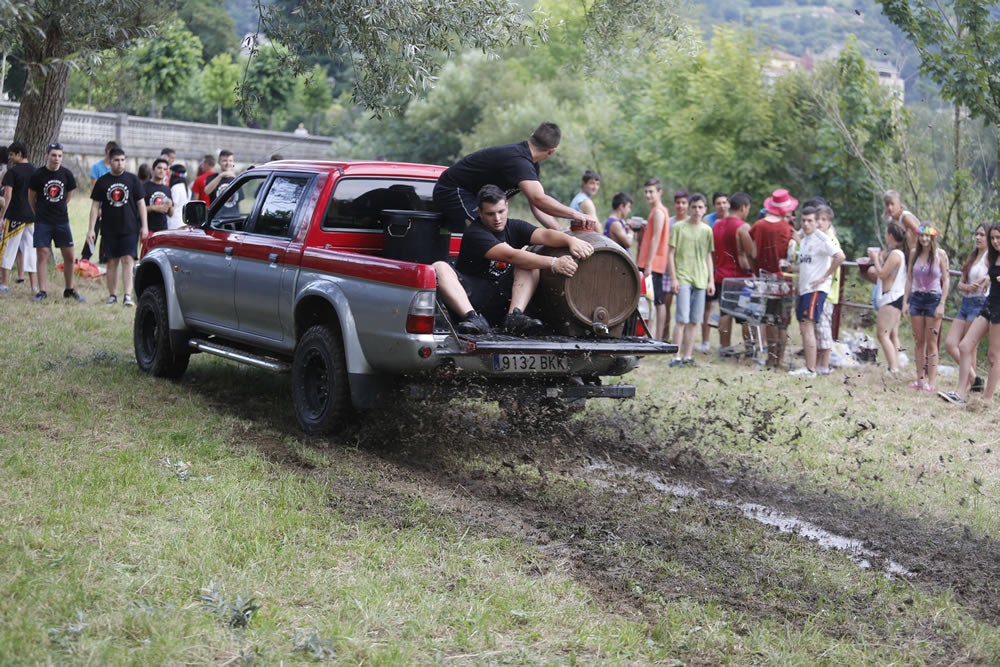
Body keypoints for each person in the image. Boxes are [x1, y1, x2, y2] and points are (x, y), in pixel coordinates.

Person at [433, 185, 594, 335]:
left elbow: (545, 235)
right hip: (471, 299)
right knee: (439, 266)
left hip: (501, 301)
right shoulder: (475, 233)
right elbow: (510, 255)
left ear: (507, 207)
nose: (497, 218)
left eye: (501, 211)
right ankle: (472, 317)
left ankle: (514, 318)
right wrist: (554, 263)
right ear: (480, 213)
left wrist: (570, 241)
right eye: (490, 214)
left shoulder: (515, 227)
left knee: (529, 264)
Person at [432, 122, 598, 232]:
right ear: (552, 151)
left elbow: (537, 205)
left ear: (532, 135)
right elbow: (539, 199)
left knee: (498, 230)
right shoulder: (519, 161)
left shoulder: (530, 165)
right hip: (452, 190)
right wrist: (576, 214)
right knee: (490, 229)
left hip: (474, 195)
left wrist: (560, 232)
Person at [942, 222, 1000, 406]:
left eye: (998, 238)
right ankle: (960, 393)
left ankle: (987, 400)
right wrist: (987, 278)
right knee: (965, 346)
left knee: (993, 355)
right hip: (989, 305)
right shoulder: (994, 255)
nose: (995, 241)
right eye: (993, 238)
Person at [787, 206, 844, 377]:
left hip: (816, 289)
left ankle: (810, 369)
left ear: (817, 221)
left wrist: (825, 276)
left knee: (808, 325)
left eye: (810, 220)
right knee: (805, 327)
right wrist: (793, 268)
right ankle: (810, 366)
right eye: (803, 220)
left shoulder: (821, 238)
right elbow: (808, 264)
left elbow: (840, 256)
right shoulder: (804, 239)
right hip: (804, 289)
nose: (806, 224)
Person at [88, 147, 148, 306]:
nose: (120, 163)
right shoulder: (103, 181)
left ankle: (127, 295)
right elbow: (95, 206)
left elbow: (141, 204)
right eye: (116, 160)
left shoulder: (133, 180)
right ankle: (112, 295)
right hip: (109, 228)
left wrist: (144, 227)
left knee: (128, 260)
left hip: (130, 228)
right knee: (112, 262)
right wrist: (91, 229)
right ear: (110, 161)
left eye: (122, 160)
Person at [27, 142, 84, 302]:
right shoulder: (38, 175)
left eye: (59, 155)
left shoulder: (66, 174)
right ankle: (42, 291)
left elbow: (69, 194)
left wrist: (60, 207)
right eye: (53, 155)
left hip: (61, 221)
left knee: (69, 255)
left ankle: (69, 289)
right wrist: (36, 213)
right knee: (42, 254)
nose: (56, 158)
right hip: (43, 221)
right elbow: (31, 197)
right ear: (47, 155)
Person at [749, 188, 798, 368]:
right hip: (783, 279)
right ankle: (780, 358)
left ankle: (769, 358)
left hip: (764, 279)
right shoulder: (787, 229)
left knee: (768, 319)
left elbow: (752, 252)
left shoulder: (758, 226)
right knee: (782, 322)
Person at [668, 193, 715, 366]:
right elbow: (671, 254)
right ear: (689, 208)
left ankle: (688, 356)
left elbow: (708, 256)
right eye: (694, 207)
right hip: (683, 277)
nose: (697, 210)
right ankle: (676, 356)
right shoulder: (679, 227)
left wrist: (711, 280)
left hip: (701, 279)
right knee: (682, 318)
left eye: (700, 207)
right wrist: (674, 278)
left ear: (705, 210)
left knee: (695, 320)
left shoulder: (707, 230)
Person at [905, 224, 950, 392]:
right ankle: (919, 380)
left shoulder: (940, 255)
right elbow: (909, 277)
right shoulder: (914, 253)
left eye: (927, 236)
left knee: (932, 342)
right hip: (917, 297)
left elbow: (946, 280)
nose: (924, 239)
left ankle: (931, 381)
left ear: (932, 238)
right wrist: (905, 301)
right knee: (919, 341)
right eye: (921, 236)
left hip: (933, 298)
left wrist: (942, 303)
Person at [713, 192, 755, 355]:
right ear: (744, 207)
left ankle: (724, 348)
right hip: (740, 278)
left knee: (725, 312)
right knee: (746, 315)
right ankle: (750, 349)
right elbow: (751, 253)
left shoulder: (716, 224)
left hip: (721, 275)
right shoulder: (743, 227)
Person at [866, 222, 908, 374]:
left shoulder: (896, 254)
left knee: (882, 334)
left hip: (892, 298)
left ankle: (893, 367)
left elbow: (883, 274)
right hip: (894, 296)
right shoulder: (897, 254)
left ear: (890, 236)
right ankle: (894, 364)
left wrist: (875, 258)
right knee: (892, 334)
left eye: (886, 234)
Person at [0, 140, 36, 295]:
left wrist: (2, 216)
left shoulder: (12, 172)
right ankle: (34, 286)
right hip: (32, 216)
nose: (9, 158)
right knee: (30, 251)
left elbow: (7, 196)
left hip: (15, 215)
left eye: (11, 155)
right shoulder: (35, 171)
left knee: (8, 249)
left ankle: (4, 284)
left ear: (19, 154)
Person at [637, 179, 670, 341]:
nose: (648, 195)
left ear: (659, 192)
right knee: (654, 299)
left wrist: (649, 263)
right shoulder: (656, 211)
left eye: (651, 191)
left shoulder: (658, 211)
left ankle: (656, 336)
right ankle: (652, 334)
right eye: (646, 192)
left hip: (653, 263)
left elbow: (656, 238)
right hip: (651, 262)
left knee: (657, 300)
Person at [814, 204, 841, 374]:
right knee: (818, 328)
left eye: (823, 219)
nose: (819, 223)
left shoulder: (830, 240)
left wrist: (824, 277)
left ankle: (824, 365)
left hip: (828, 293)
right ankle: (819, 363)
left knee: (824, 329)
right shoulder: (820, 238)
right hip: (821, 291)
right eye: (818, 219)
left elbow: (837, 260)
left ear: (830, 222)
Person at [84, 140, 121, 262]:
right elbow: (93, 188)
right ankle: (86, 256)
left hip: (113, 205)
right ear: (107, 152)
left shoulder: (117, 168)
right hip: (100, 205)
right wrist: (99, 207)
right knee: (94, 230)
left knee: (108, 232)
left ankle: (104, 257)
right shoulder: (97, 167)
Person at [144, 158, 174, 233]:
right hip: (148, 229)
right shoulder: (143, 187)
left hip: (163, 229)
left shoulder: (167, 189)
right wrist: (153, 208)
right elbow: (136, 210)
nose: (162, 171)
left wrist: (170, 205)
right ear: (152, 170)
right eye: (159, 168)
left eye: (164, 169)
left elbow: (170, 214)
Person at [167, 164, 190, 229]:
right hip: (183, 222)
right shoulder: (187, 188)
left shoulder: (175, 188)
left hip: (174, 224)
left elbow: (172, 210)